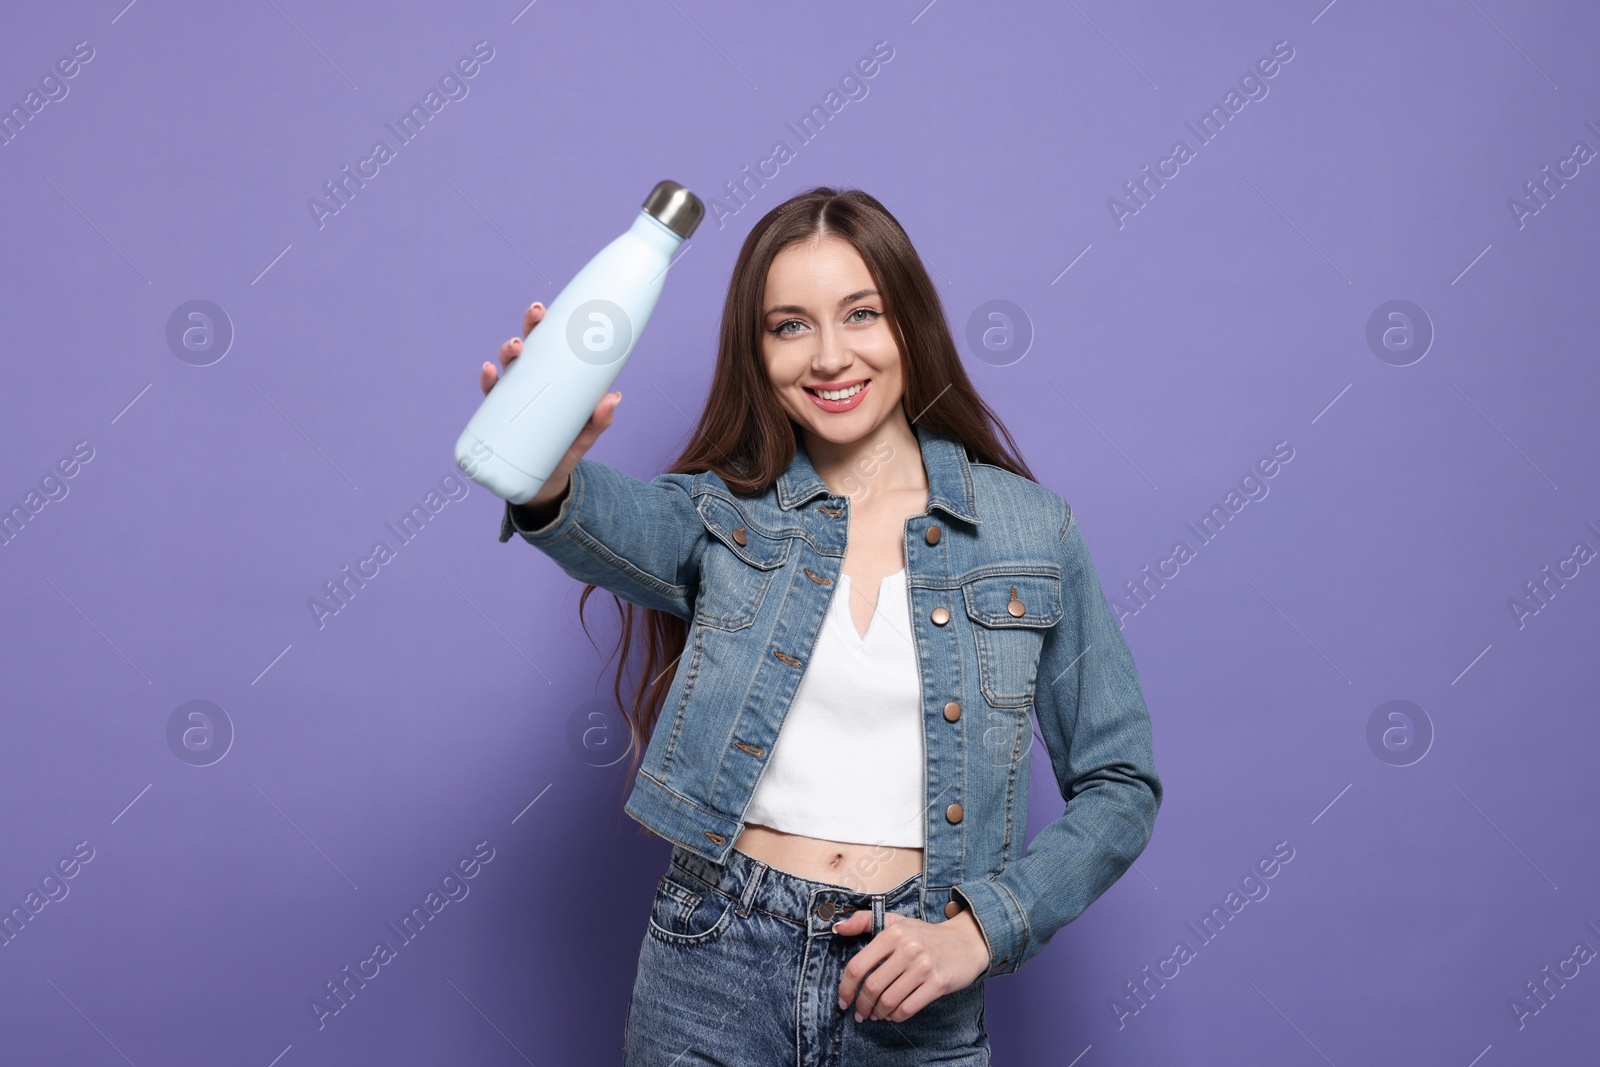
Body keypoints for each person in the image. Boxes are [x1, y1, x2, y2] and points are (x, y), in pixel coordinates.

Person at [477, 187, 1161, 1064]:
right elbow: (604, 520)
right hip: (712, 962)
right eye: (789, 325)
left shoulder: (1032, 531)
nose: (831, 356)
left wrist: (981, 931)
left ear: (909, 323)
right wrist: (544, 471)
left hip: (909, 982)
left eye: (861, 314)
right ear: (757, 351)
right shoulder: (724, 511)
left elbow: (1120, 782)